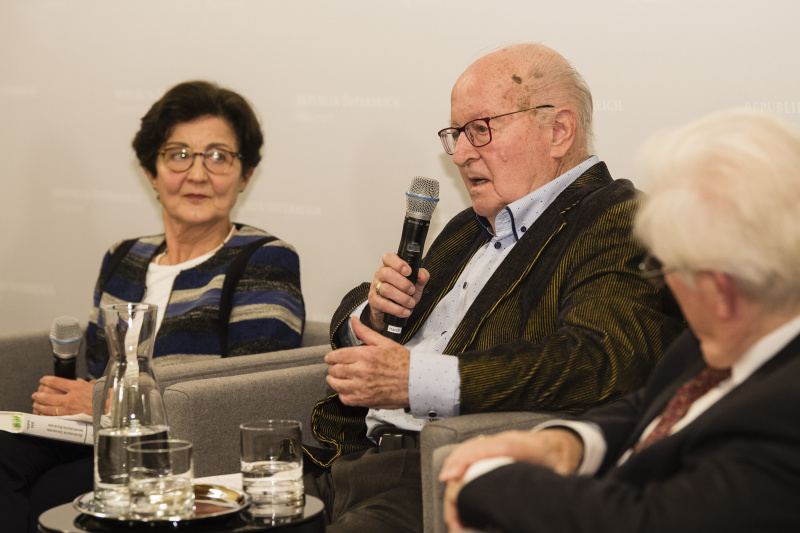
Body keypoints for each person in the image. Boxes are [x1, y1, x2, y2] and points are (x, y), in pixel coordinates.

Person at [304, 43, 684, 532]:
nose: (461, 154)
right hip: (347, 459)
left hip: (436, 473)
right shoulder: (469, 225)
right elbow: (353, 318)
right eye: (456, 134)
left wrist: (419, 380)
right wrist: (376, 313)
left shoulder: (617, 218)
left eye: (480, 129)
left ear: (559, 130)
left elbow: (600, 363)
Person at [440, 108, 800, 533]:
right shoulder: (723, 338)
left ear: (721, 291)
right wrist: (567, 444)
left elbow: (643, 519)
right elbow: (648, 407)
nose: (664, 284)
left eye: (664, 267)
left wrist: (485, 482)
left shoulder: (783, 416)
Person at [0, 80, 305, 532]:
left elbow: (249, 388)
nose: (198, 174)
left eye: (219, 155)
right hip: (98, 439)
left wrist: (107, 401)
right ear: (152, 171)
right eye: (179, 154)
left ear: (245, 175)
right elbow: (98, 367)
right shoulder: (123, 257)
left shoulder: (264, 258)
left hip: (184, 451)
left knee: (53, 496)